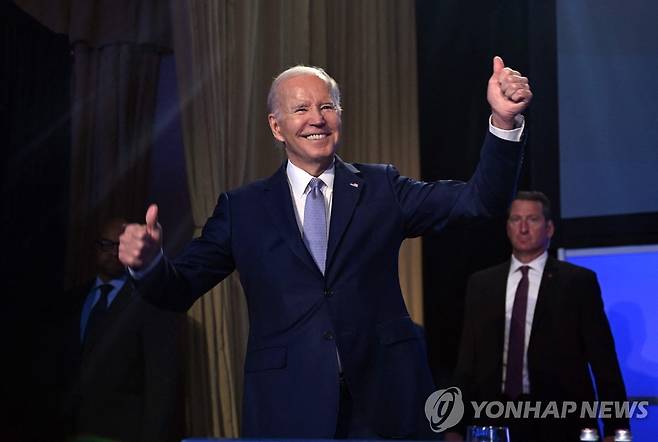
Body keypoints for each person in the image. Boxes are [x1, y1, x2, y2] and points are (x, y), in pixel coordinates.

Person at [119, 57, 532, 439]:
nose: (317, 119)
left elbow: (479, 202)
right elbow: (176, 289)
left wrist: (503, 119)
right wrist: (149, 264)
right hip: (288, 407)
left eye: (327, 107)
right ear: (276, 127)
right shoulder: (242, 209)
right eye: (300, 110)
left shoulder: (381, 188)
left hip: (386, 403)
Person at [450, 191, 629, 442]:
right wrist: (453, 427)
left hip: (561, 423)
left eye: (532, 219)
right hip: (494, 421)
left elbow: (604, 363)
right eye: (515, 219)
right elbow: (466, 362)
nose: (523, 228)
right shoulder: (482, 284)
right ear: (507, 227)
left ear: (549, 228)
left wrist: (616, 429)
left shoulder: (577, 282)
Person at [51, 218, 183, 442]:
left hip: (124, 432)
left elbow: (161, 382)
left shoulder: (151, 300)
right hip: (70, 429)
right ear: (95, 248)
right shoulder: (72, 300)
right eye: (106, 245)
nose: (113, 252)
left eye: (119, 245)